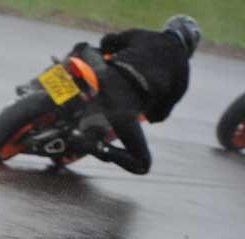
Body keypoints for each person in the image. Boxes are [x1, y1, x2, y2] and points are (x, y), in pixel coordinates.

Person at [67, 15, 201, 174]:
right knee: (142, 164)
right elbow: (161, 112)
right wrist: (149, 111)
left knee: (84, 49)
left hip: (102, 79)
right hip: (123, 107)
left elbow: (107, 42)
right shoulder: (183, 70)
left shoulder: (144, 34)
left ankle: (41, 87)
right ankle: (93, 145)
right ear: (191, 43)